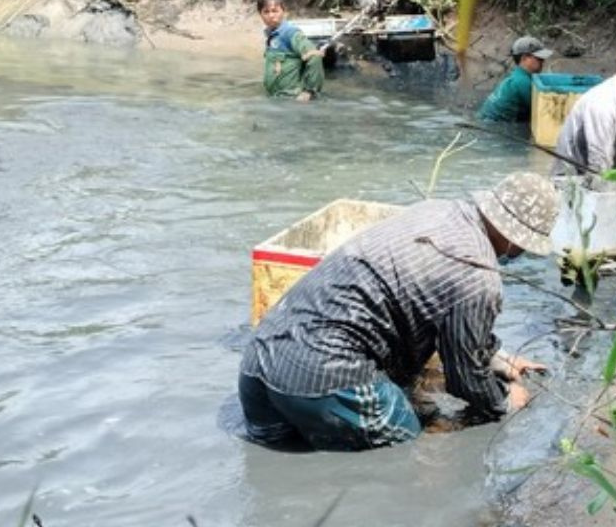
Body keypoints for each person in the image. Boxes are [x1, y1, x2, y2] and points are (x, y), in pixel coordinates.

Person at [238, 171, 559, 451]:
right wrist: (504, 402)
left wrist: (497, 358)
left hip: (260, 362)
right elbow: (465, 378)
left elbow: (432, 304)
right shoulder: (479, 274)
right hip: (322, 376)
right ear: (518, 239)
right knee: (409, 450)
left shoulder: (435, 211)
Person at [257, 0, 324, 102]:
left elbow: (315, 56)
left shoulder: (290, 33)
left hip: (292, 99)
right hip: (277, 99)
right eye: (266, 12)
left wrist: (309, 91)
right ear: (260, 14)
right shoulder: (271, 35)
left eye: (275, 11)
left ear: (284, 11)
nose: (271, 15)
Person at [477, 36, 554, 122]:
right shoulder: (523, 82)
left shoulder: (516, 76)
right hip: (494, 126)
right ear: (524, 58)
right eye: (539, 58)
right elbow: (544, 112)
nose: (542, 61)